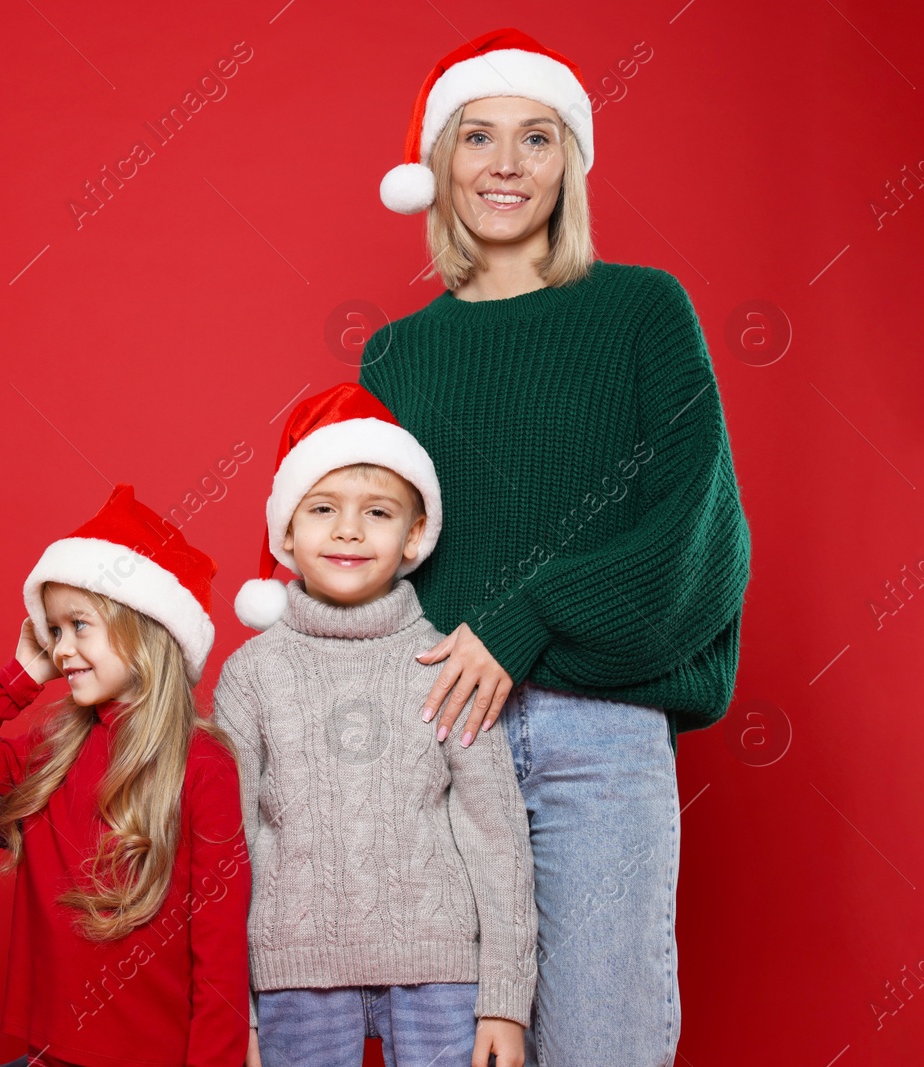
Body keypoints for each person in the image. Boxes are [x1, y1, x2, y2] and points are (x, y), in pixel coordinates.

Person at [364, 27, 753, 1067]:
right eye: (477, 136)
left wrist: (523, 613)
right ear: (439, 163)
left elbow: (696, 527)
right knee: (447, 1047)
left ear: (568, 162)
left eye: (535, 137)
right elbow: (366, 555)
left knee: (600, 1041)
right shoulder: (397, 353)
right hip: (443, 739)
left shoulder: (640, 309)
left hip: (599, 740)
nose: (504, 164)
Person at [220, 383, 536, 1067]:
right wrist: (234, 1013)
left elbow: (496, 834)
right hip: (291, 976)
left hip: (440, 970)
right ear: (286, 529)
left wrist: (505, 1001)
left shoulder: (447, 663)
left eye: (378, 512)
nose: (348, 530)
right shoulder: (250, 675)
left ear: (415, 533)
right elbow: (226, 846)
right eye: (324, 508)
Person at [0, 484, 250, 1067]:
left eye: (79, 625)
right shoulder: (53, 748)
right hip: (51, 1048)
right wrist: (21, 675)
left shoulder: (203, 763)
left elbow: (220, 951)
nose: (61, 649)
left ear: (143, 627)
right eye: (53, 630)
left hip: (155, 1052)